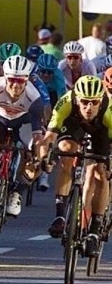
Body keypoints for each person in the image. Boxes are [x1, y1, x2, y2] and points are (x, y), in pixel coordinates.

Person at [38, 75, 112, 256]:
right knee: (66, 153)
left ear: (100, 100)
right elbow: (48, 137)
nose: (89, 107)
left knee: (100, 172)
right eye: (85, 102)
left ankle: (94, 230)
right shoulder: (66, 102)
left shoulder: (108, 109)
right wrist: (44, 159)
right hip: (73, 124)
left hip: (101, 129)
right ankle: (60, 215)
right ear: (76, 98)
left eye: (94, 102)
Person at [0, 55, 45, 218]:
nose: (15, 85)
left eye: (20, 81)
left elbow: (38, 136)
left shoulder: (34, 99)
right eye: (11, 79)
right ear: (4, 77)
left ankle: (17, 193)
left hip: (23, 122)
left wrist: (39, 154)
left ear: (27, 80)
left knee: (40, 155)